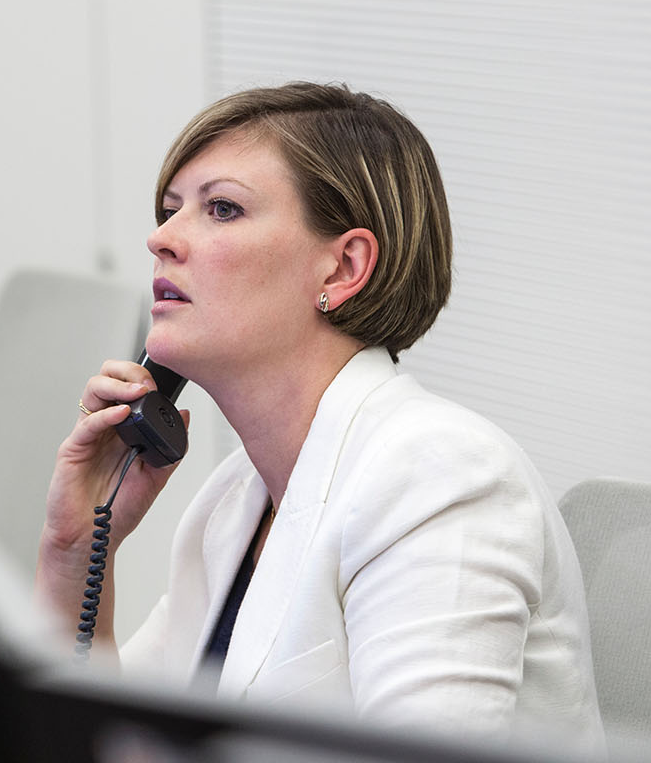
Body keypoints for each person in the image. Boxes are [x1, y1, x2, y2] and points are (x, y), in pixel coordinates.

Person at [34, 82, 603, 747]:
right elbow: (115, 747)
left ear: (344, 266)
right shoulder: (234, 501)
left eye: (221, 208)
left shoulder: (442, 478)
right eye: (169, 210)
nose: (161, 238)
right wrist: (75, 548)